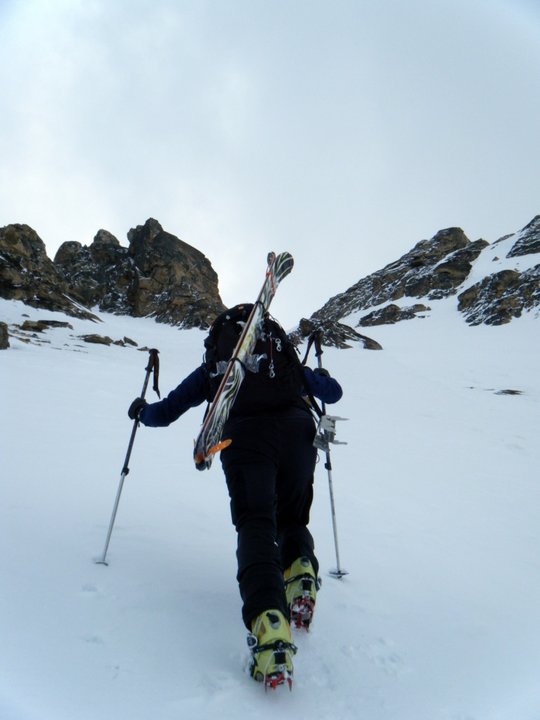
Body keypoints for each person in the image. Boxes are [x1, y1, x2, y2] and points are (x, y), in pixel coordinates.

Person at [128, 306, 343, 688]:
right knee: (293, 517)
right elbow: (334, 393)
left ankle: (269, 623)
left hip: (246, 440)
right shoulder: (283, 358)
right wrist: (319, 378)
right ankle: (300, 574)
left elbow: (165, 413)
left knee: (256, 523)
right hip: (299, 434)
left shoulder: (216, 368)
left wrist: (142, 411)